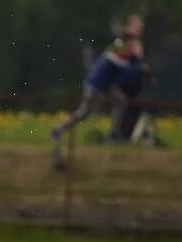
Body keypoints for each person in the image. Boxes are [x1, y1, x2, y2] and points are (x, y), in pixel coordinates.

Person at [50, 15, 147, 148]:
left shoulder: (129, 45)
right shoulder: (120, 45)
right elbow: (125, 64)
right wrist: (139, 64)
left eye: (140, 28)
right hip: (96, 84)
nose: (138, 31)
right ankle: (58, 130)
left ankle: (114, 134)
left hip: (106, 85)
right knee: (84, 112)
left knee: (120, 101)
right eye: (136, 27)